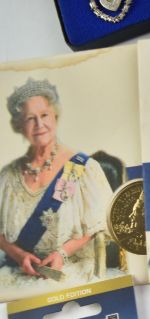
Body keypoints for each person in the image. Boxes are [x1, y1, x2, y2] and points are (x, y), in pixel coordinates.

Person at [0, 78, 112, 291]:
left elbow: (98, 225)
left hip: (69, 268)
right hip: (19, 269)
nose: (39, 124)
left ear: (55, 116)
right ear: (20, 126)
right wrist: (20, 255)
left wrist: (62, 253)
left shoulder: (82, 169)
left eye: (44, 115)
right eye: (30, 118)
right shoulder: (7, 177)